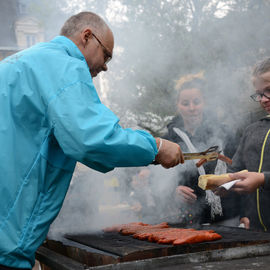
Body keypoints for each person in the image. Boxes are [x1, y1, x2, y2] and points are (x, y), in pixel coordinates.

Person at [0, 11, 184, 270]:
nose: (106, 66)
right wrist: (156, 147)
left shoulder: (15, 64)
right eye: (106, 54)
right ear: (87, 36)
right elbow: (92, 140)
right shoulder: (63, 63)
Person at [163, 77, 239, 225]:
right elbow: (159, 180)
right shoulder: (168, 140)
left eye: (196, 102)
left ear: (204, 103)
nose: (192, 108)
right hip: (188, 219)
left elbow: (240, 169)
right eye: (185, 103)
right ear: (177, 106)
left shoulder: (224, 132)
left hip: (229, 217)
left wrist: (227, 184)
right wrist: (173, 191)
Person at [225, 57, 270, 231]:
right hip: (257, 232)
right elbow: (234, 170)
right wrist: (224, 185)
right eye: (259, 93)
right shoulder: (251, 130)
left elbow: (260, 179)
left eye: (269, 90)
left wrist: (263, 178)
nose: (263, 99)